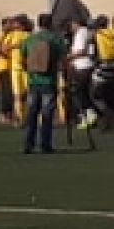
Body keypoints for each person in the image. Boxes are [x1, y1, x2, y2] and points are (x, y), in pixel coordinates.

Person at [20, 13, 67, 154]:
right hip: (49, 80)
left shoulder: (30, 39)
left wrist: (29, 70)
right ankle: (45, 144)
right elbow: (63, 59)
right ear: (51, 23)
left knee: (31, 113)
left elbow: (23, 58)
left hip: (33, 81)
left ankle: (28, 144)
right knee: (47, 114)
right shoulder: (56, 39)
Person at [67, 19, 99, 130]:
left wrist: (69, 56)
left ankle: (88, 115)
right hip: (85, 66)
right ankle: (90, 114)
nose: (70, 26)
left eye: (71, 24)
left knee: (79, 93)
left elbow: (81, 51)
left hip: (82, 67)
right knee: (83, 92)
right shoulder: (86, 32)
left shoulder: (80, 33)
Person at [0, 17, 15, 125]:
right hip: (4, 67)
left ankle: (9, 114)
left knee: (10, 92)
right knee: (6, 92)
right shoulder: (3, 36)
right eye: (9, 23)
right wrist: (4, 54)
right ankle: (4, 114)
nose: (11, 25)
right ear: (4, 25)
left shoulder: (11, 35)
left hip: (11, 67)